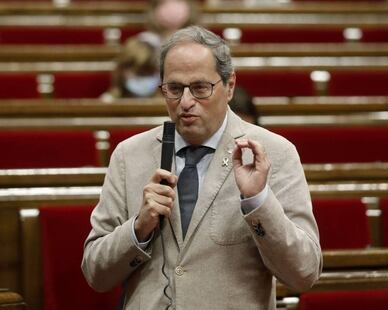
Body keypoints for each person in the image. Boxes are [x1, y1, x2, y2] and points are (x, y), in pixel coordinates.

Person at [82, 26, 322, 309]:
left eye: (199, 88)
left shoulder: (274, 153)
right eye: (174, 88)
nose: (185, 103)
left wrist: (259, 201)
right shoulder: (129, 155)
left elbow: (304, 272)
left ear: (229, 86)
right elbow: (96, 273)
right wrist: (138, 228)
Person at [100, 36, 161, 102]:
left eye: (148, 73)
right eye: (138, 73)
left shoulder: (166, 104)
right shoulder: (107, 102)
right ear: (121, 71)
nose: (142, 80)